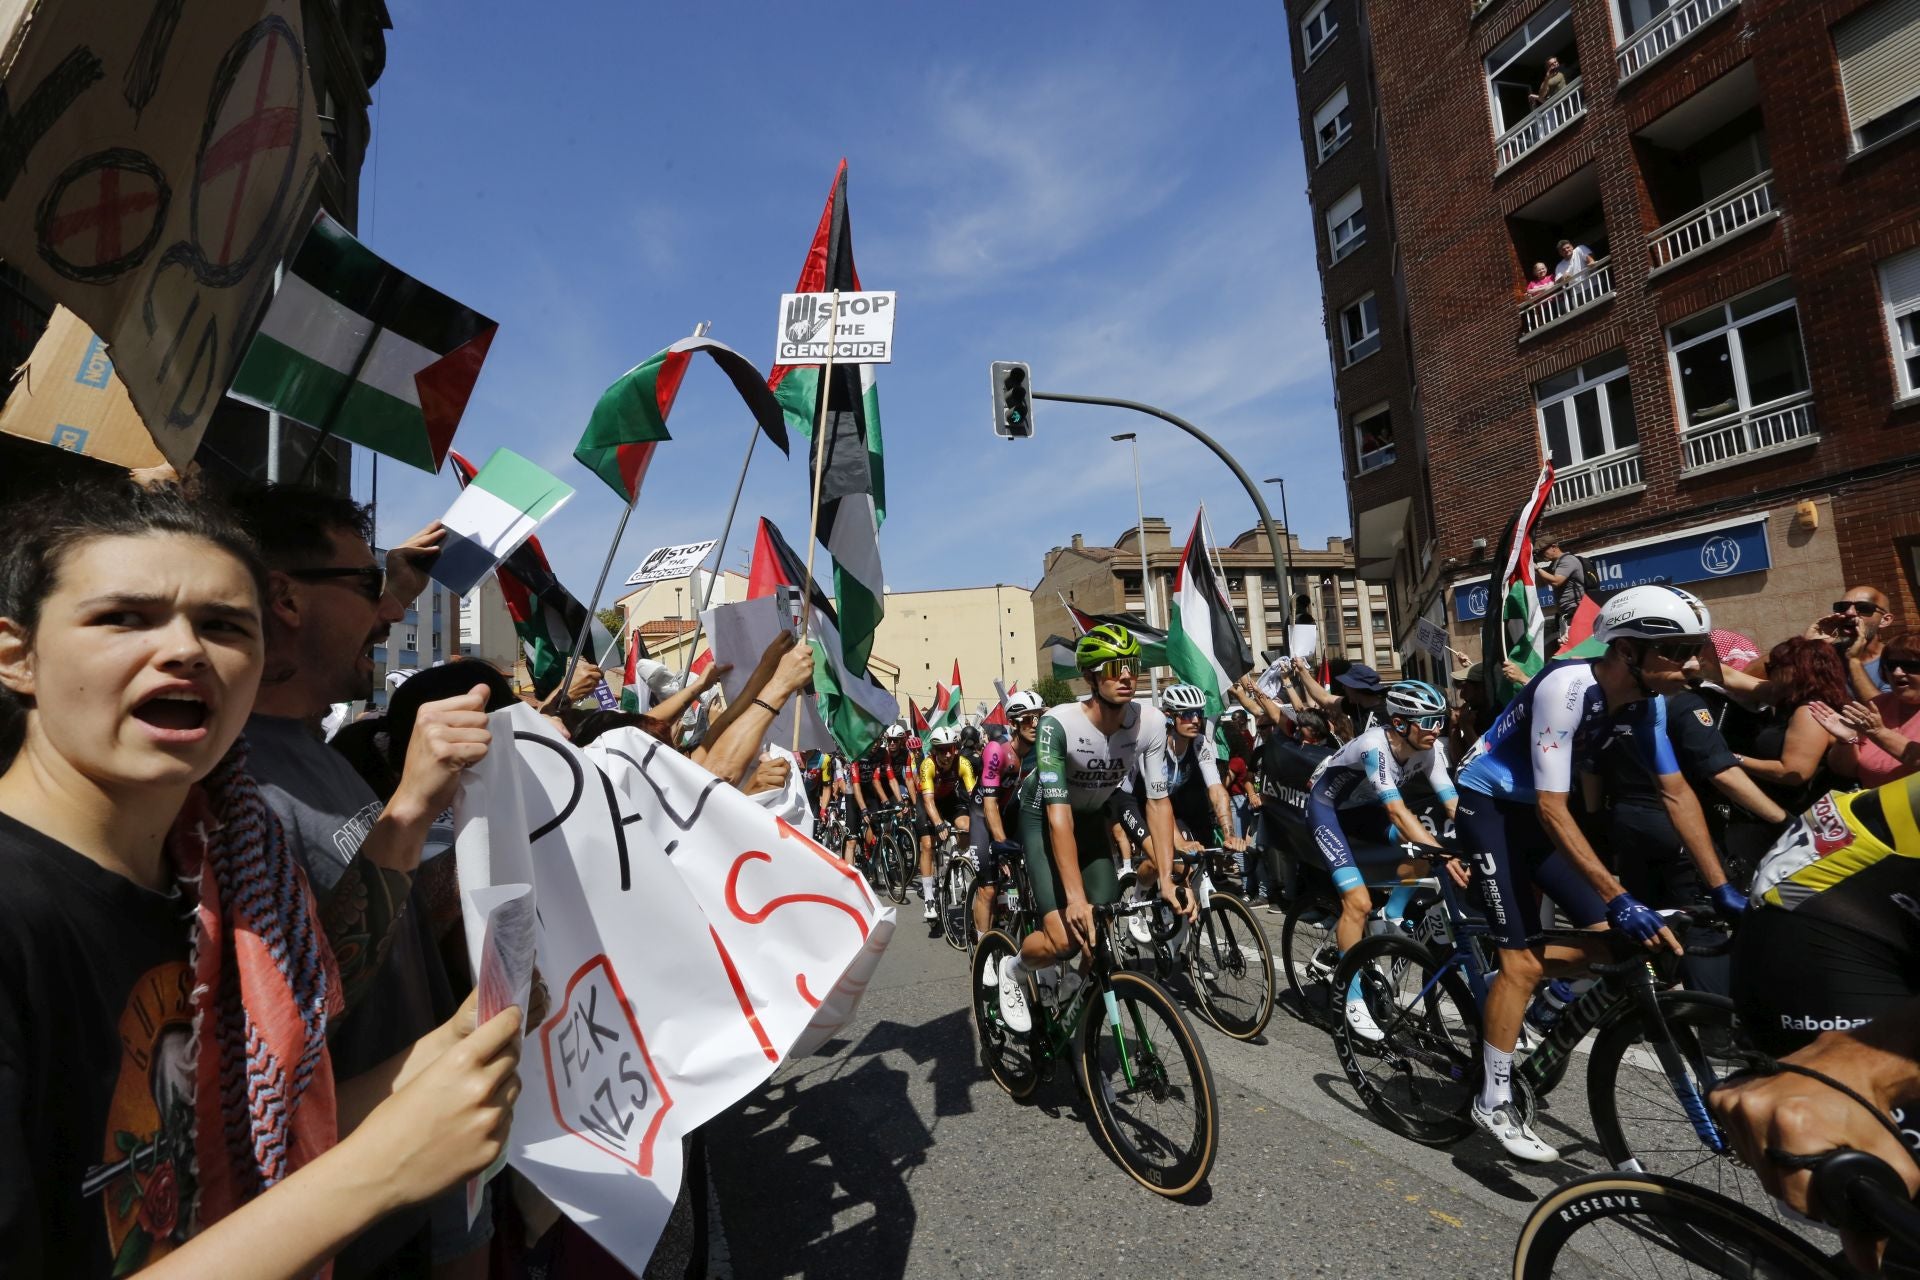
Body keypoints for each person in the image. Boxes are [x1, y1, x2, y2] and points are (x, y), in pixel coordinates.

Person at [0, 480, 521, 1276]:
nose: (183, 650)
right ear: (17, 655)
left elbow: (243, 1137)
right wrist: (373, 1174)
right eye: (122, 618)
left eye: (221, 625)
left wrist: (458, 1048)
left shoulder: (220, 878)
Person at [225, 483, 496, 1274]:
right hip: (344, 1231)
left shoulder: (312, 753)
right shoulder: (229, 787)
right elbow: (297, 1022)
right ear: (286, 599)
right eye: (369, 586)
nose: (389, 616)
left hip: (419, 1200)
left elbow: (395, 917)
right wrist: (409, 810)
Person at [1453, 585, 1736, 1163]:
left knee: (1616, 945)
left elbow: (1675, 791)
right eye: (1678, 650)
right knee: (1521, 960)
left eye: (1694, 650)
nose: (1691, 665)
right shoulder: (1567, 687)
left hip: (1540, 814)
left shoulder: (1647, 700)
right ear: (1628, 650)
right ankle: (1494, 1098)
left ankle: (1541, 1008)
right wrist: (1618, 894)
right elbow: (1555, 808)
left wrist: (1722, 886)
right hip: (1492, 807)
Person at [996, 625, 1190, 1034]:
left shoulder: (1150, 723)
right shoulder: (1057, 724)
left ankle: (1073, 993)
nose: (1126, 676)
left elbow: (1157, 802)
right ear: (1090, 677)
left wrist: (1168, 880)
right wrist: (1074, 898)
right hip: (1041, 816)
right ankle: (1013, 968)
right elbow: (1057, 817)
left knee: (1099, 928)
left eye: (1132, 666)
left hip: (1090, 818)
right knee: (1065, 938)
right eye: (1114, 667)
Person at [1305, 680, 1458, 1040]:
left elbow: (1453, 804)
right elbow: (1396, 813)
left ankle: (1392, 913)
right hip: (1327, 810)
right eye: (1429, 721)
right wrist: (1442, 852)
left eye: (1441, 720)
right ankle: (1350, 997)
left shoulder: (1430, 750)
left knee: (1423, 856)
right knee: (1357, 903)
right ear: (1402, 723)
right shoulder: (1376, 746)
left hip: (1363, 813)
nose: (1437, 729)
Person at [1736, 637, 1848, 812]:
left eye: (1772, 667)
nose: (1768, 674)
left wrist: (1733, 760)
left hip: (1798, 812)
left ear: (1796, 671)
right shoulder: (1788, 700)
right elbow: (1731, 678)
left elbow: (1794, 772)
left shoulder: (1809, 712)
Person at [973, 689, 1043, 939]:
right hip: (983, 814)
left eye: (1038, 718)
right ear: (1013, 723)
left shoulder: (1040, 752)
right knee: (989, 890)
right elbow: (990, 805)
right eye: (1027, 719)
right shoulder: (997, 750)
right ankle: (984, 949)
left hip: (1009, 812)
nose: (1034, 725)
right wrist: (1001, 844)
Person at [1815, 637, 1920, 787]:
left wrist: (1878, 733)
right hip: (1874, 803)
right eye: (1890, 665)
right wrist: (1846, 741)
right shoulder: (1878, 705)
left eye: (1910, 665)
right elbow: (1845, 771)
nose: (1897, 673)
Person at [917, 724, 976, 923]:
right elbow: (928, 801)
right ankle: (929, 898)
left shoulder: (963, 763)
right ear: (934, 751)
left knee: (967, 826)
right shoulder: (928, 765)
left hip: (950, 800)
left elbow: (973, 795)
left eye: (950, 748)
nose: (947, 755)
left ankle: (957, 854)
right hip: (929, 802)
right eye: (942, 750)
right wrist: (939, 824)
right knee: (927, 845)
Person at [1806, 585, 1898, 700]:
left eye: (1863, 607)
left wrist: (1854, 660)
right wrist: (1808, 646)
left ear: (1885, 620)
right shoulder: (1828, 653)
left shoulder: (1896, 660)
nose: (1849, 612)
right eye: (1842, 607)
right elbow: (1781, 691)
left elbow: (1883, 709)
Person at [1534, 533, 1584, 655]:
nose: (1541, 555)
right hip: (1566, 616)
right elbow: (1540, 584)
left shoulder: (1568, 560)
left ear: (1554, 547)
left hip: (1576, 614)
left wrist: (1537, 569)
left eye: (1542, 551)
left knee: (1575, 652)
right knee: (1568, 651)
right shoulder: (1554, 565)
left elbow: (1556, 581)